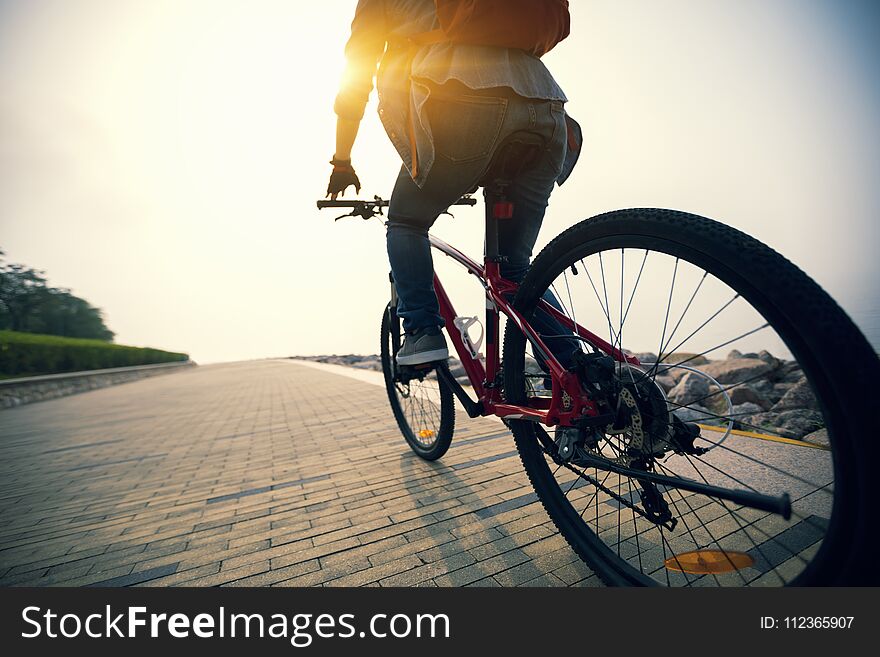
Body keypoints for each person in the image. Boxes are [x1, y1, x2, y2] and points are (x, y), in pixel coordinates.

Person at [327, 0, 580, 366]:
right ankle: (583, 377)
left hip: (463, 102)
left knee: (406, 221)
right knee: (514, 269)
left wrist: (342, 161)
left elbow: (355, 79)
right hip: (547, 109)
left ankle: (422, 332)